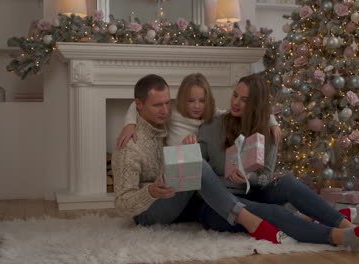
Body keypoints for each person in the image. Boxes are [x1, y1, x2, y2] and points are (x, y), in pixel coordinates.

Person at [191, 74, 359, 252]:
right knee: (273, 212)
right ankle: (339, 237)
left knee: (287, 181)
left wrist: (249, 178)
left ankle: (350, 228)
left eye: (244, 100)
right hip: (219, 206)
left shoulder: (268, 133)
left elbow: (267, 177)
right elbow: (198, 173)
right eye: (235, 95)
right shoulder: (212, 125)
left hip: (252, 192)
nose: (236, 102)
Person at [111, 74, 288, 244]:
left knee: (217, 210)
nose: (165, 110)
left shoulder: (179, 119)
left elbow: (248, 108)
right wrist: (150, 191)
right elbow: (122, 205)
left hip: (181, 193)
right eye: (158, 105)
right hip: (151, 209)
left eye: (167, 103)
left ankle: (286, 217)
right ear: (139, 105)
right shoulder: (131, 144)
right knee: (195, 162)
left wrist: (271, 120)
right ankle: (252, 221)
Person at [116, 73, 282, 149]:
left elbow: (255, 109)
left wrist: (272, 122)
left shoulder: (213, 114)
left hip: (197, 166)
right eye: (191, 101)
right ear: (182, 99)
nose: (197, 106)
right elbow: (136, 104)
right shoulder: (172, 112)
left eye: (202, 101)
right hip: (172, 164)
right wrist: (130, 124)